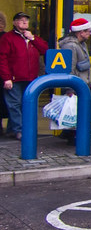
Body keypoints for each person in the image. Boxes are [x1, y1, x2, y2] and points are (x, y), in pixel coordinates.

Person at [0, 12, 49, 140]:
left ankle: (12, 129)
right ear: (14, 22)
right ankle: (19, 130)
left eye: (26, 20)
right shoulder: (8, 38)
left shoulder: (32, 37)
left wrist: (33, 39)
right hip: (14, 78)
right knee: (15, 104)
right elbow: (2, 58)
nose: (24, 22)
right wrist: (6, 78)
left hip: (31, 78)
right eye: (20, 20)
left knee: (24, 104)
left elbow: (45, 50)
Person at [56, 17, 91, 144]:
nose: (90, 33)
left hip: (82, 83)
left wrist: (88, 82)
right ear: (80, 32)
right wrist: (70, 88)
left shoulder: (82, 44)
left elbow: (84, 66)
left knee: (78, 112)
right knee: (75, 112)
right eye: (87, 30)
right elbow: (70, 67)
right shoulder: (71, 46)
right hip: (76, 85)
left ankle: (69, 134)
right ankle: (71, 136)